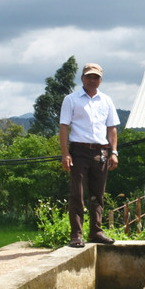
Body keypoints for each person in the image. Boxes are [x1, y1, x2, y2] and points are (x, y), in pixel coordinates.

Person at [59, 62, 121, 247]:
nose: (92, 80)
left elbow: (112, 129)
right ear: (82, 78)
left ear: (101, 80)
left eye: (96, 77)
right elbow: (64, 127)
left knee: (98, 194)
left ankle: (96, 232)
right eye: (89, 76)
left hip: (101, 151)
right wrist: (65, 154)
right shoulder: (71, 99)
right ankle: (76, 235)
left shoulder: (107, 101)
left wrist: (114, 152)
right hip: (78, 150)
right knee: (77, 193)